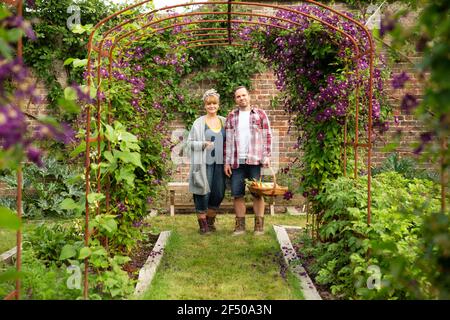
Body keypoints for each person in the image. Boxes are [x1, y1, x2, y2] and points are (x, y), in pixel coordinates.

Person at [224, 86, 272, 236]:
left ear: (249, 96)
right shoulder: (231, 116)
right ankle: (240, 227)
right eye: (238, 96)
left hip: (255, 160)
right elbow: (228, 141)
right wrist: (226, 162)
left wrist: (267, 155)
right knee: (237, 194)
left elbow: (267, 136)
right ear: (235, 99)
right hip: (237, 161)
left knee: (257, 194)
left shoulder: (260, 114)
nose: (241, 98)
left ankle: (259, 227)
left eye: (244, 95)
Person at [187, 89, 226, 234]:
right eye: (209, 104)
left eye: (214, 103)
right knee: (202, 192)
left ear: (218, 105)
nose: (212, 106)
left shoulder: (224, 121)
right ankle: (203, 226)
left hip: (220, 164)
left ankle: (210, 222)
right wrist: (203, 144)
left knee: (218, 192)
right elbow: (189, 143)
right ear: (205, 106)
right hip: (203, 165)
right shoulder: (198, 123)